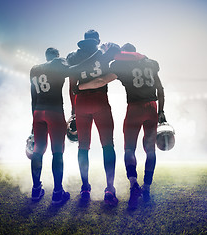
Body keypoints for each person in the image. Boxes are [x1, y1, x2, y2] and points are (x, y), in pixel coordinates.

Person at [79, 43, 167, 209]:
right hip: (152, 107)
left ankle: (134, 183)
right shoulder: (150, 63)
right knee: (150, 150)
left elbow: (101, 80)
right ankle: (147, 187)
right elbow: (160, 90)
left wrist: (81, 86)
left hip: (134, 108)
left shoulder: (122, 65)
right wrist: (161, 110)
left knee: (129, 149)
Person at [66, 30, 120, 206]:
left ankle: (85, 188)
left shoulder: (73, 57)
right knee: (107, 144)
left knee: (83, 147)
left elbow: (71, 86)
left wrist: (73, 111)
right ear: (97, 41)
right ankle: (109, 188)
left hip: (81, 103)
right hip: (100, 101)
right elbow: (118, 50)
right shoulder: (103, 53)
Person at [30, 47, 70, 205]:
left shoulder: (34, 69)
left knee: (37, 151)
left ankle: (35, 190)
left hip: (38, 112)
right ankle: (58, 192)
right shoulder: (58, 63)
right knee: (57, 152)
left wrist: (32, 122)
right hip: (54, 112)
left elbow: (33, 96)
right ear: (56, 56)